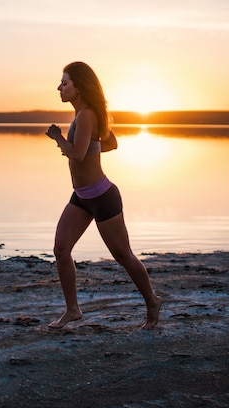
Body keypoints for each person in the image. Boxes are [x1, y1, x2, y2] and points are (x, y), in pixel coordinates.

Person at [45, 61, 162, 330]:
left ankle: (152, 301)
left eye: (65, 83)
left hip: (102, 196)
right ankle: (73, 310)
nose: (59, 87)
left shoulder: (86, 115)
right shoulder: (82, 116)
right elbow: (111, 142)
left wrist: (58, 138)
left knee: (123, 256)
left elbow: (76, 153)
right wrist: (89, 145)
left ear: (79, 86)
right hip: (81, 197)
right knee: (61, 250)